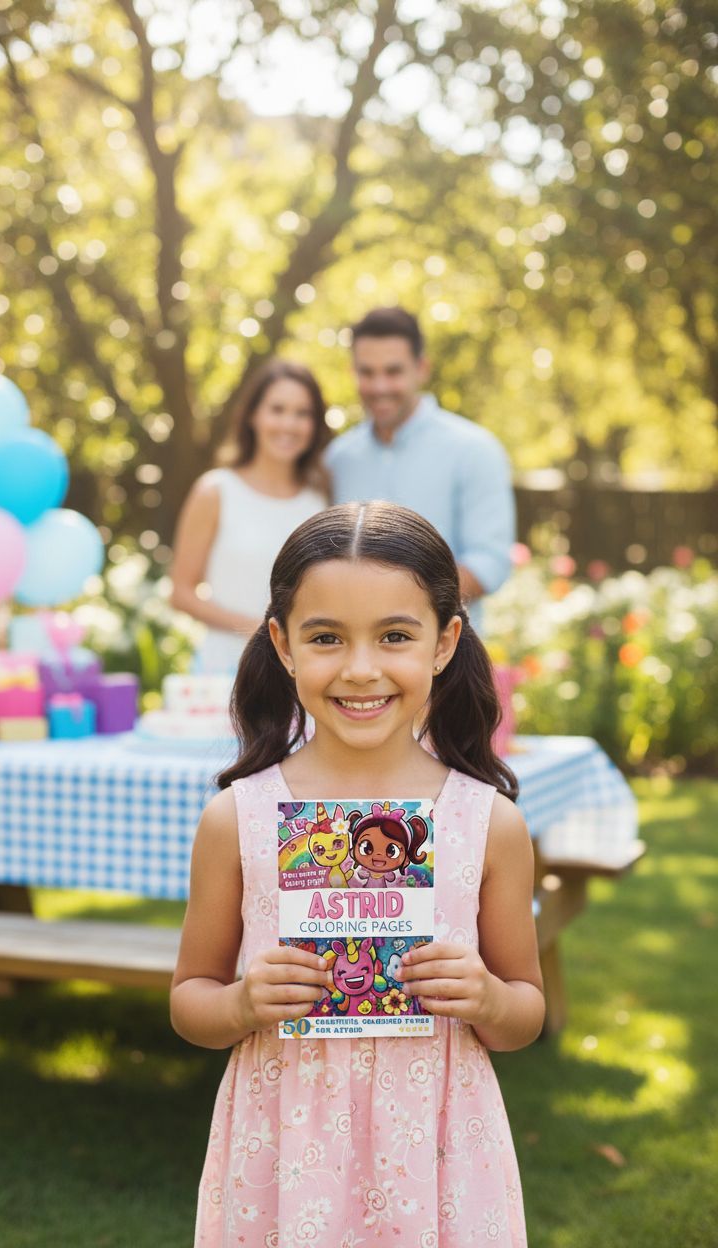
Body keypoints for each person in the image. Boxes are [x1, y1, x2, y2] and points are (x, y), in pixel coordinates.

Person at [171, 501, 544, 1246]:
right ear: (282, 643)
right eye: (327, 637)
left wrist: (488, 998)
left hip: (439, 1147)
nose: (361, 668)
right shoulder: (238, 819)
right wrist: (244, 1002)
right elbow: (190, 1000)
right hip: (283, 1147)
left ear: (444, 643)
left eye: (396, 636)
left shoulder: (486, 822)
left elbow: (525, 1012)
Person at [326, 306, 515, 626]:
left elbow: (489, 564)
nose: (380, 386)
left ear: (422, 368)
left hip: (447, 661)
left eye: (393, 371)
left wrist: (393, 605)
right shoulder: (337, 458)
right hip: (352, 659)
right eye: (367, 372)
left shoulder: (474, 450)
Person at [170, 359, 329, 673]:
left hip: (301, 673)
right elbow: (181, 593)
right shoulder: (216, 491)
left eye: (302, 413)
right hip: (227, 668)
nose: (288, 424)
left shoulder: (320, 500)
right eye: (277, 409)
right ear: (254, 416)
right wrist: (259, 631)